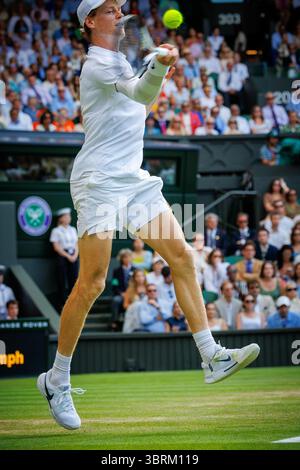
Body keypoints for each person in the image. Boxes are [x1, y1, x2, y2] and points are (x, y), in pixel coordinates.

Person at [37, 0, 260, 431]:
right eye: (109, 10)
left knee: (183, 258)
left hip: (134, 181)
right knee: (94, 282)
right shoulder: (97, 66)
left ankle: (210, 354)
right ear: (90, 21)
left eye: (121, 8)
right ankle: (56, 379)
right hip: (99, 181)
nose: (120, 15)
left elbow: (142, 97)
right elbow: (142, 93)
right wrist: (159, 66)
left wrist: (158, 65)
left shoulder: (121, 61)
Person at [49, 208, 79, 308]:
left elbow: (76, 244)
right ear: (61, 218)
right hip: (62, 256)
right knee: (61, 279)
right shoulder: (56, 231)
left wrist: (75, 255)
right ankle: (63, 303)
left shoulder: (73, 229)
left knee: (74, 279)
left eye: (69, 216)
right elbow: (56, 246)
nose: (68, 218)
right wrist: (67, 256)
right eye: (66, 216)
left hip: (73, 256)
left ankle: (73, 302)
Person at [110, 248, 135, 331]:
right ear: (121, 259)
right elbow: (114, 285)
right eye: (124, 257)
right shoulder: (116, 271)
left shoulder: (135, 270)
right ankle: (114, 322)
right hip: (121, 294)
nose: (127, 259)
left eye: (129, 257)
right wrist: (121, 293)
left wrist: (130, 294)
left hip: (133, 294)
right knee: (116, 300)